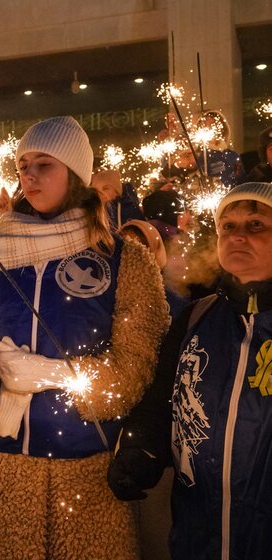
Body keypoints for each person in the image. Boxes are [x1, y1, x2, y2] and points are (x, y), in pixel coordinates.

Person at [0, 116, 170, 560]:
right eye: (23, 165)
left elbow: (138, 365)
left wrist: (57, 374)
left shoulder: (125, 259)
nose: (29, 175)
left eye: (44, 164)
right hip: (0, 463)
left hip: (87, 463)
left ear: (76, 173)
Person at [108, 182, 272, 559]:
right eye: (227, 227)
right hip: (198, 539)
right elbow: (160, 401)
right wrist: (140, 449)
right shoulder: (196, 318)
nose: (238, 236)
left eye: (256, 225)